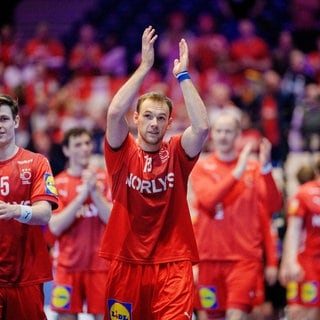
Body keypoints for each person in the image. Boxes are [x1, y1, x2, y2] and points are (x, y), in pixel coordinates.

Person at [99, 26, 209, 319]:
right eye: (147, 116)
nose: (154, 123)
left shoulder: (175, 151)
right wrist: (144, 67)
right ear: (135, 119)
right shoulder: (122, 152)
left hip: (173, 263)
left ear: (169, 122)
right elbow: (112, 113)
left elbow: (201, 128)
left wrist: (183, 76)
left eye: (161, 118)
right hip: (126, 262)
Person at [190, 111, 282, 320]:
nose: (223, 136)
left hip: (243, 258)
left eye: (229, 131)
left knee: (236, 315)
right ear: (212, 135)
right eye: (219, 131)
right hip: (209, 258)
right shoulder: (202, 167)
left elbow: (274, 205)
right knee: (212, 317)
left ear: (238, 135)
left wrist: (266, 168)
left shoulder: (254, 168)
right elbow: (209, 200)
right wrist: (237, 172)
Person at [0, 93, 59, 319]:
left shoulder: (36, 162)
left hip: (26, 277)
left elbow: (44, 214)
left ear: (15, 121)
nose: (0, 125)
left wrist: (15, 210)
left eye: (4, 119)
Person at [48, 127, 112, 320]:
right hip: (67, 267)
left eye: (87, 143)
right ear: (66, 150)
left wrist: (94, 193)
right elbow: (55, 226)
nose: (84, 148)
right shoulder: (56, 183)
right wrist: (81, 197)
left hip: (101, 266)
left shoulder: (105, 179)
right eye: (77, 144)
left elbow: (112, 220)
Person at [279, 158, 320, 320]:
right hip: (308, 262)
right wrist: (290, 262)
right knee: (304, 313)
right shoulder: (304, 193)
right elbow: (293, 230)